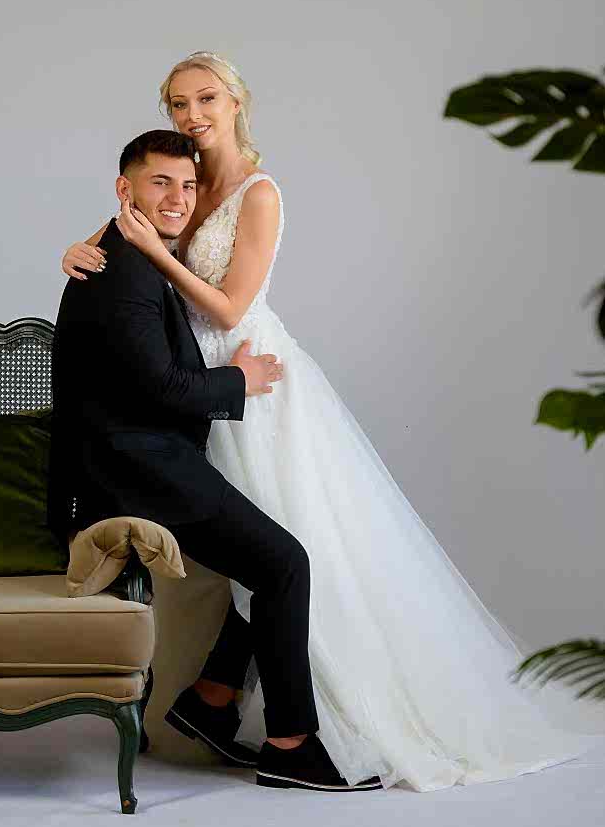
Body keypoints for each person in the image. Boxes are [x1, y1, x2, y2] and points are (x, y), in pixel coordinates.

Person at [61, 54, 601, 792]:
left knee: (293, 542)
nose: (193, 115)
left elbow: (229, 307)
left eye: (207, 98)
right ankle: (219, 705)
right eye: (178, 103)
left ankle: (234, 706)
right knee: (270, 553)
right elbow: (121, 243)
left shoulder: (257, 191)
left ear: (237, 101)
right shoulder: (177, 174)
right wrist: (81, 249)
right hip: (192, 389)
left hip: (246, 374)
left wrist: (163, 261)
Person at [49, 128, 381, 793]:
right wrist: (240, 381)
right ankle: (290, 745)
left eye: (187, 185)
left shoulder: (126, 251)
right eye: (159, 183)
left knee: (272, 559)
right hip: (138, 472)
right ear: (125, 190)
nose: (177, 198)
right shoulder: (123, 270)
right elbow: (161, 388)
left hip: (145, 457)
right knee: (285, 563)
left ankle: (211, 699)